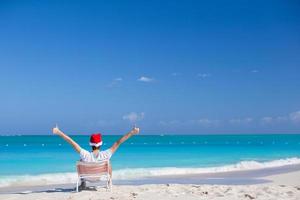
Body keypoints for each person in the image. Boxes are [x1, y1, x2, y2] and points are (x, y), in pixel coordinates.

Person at [52, 125, 140, 189]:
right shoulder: (106, 154)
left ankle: (83, 183)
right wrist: (132, 132)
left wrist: (58, 132)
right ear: (100, 144)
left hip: (86, 176)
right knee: (108, 163)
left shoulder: (85, 154)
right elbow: (118, 142)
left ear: (91, 144)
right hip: (100, 176)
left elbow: (71, 141)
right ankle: (109, 182)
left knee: (80, 161)